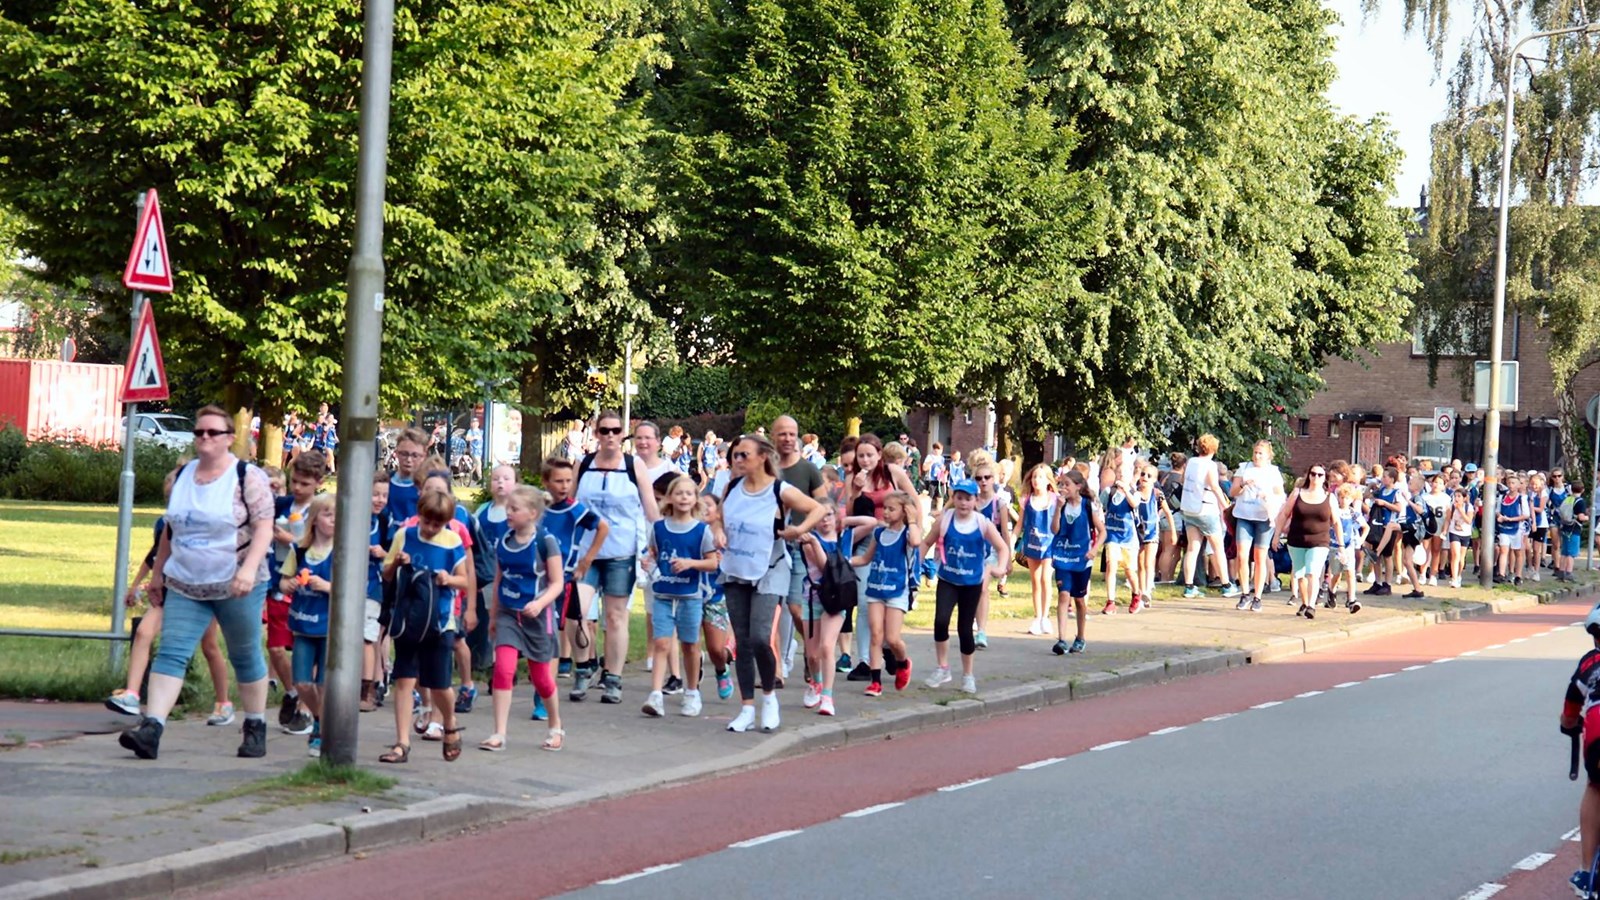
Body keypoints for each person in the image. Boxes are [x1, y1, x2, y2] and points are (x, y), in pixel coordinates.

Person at [116, 406, 275, 760]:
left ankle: (255, 725)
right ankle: (152, 728)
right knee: (172, 651)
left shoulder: (246, 476)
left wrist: (248, 570)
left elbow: (264, 528)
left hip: (236, 583)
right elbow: (171, 530)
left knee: (244, 653)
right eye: (199, 432)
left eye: (213, 432)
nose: (204, 438)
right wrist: (158, 574)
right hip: (187, 584)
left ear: (229, 438)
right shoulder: (183, 476)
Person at [105, 467, 234, 724]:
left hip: (199, 590)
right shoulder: (164, 523)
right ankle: (132, 694)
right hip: (168, 590)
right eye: (168, 498)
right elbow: (154, 555)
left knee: (209, 645)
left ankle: (224, 702)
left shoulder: (202, 523)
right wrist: (136, 584)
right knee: (144, 632)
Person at [719, 434, 825, 733]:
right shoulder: (732, 487)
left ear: (763, 457)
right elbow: (718, 516)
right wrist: (717, 531)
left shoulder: (780, 490)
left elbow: (817, 508)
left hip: (770, 569)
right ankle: (746, 708)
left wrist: (799, 530)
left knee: (760, 637)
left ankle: (769, 699)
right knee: (742, 641)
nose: (738, 460)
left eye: (744, 455)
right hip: (736, 568)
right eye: (735, 455)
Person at [574, 411, 662, 704]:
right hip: (586, 553)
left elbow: (651, 510)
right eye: (604, 430)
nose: (610, 435)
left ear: (622, 434)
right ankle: (583, 668)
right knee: (578, 612)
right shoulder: (584, 464)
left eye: (615, 430)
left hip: (620, 552)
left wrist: (661, 543)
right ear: (596, 434)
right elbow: (569, 505)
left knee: (615, 616)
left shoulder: (633, 466)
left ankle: (613, 677)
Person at [380, 488, 469, 763]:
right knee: (404, 680)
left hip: (439, 622)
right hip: (409, 619)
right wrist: (397, 562)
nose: (430, 528)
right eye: (426, 521)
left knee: (439, 684)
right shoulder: (404, 535)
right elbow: (386, 573)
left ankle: (449, 722)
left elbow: (465, 580)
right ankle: (402, 743)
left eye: (437, 524)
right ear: (418, 515)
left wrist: (448, 579)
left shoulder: (452, 541)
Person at [483, 485, 566, 752]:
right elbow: (498, 579)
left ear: (532, 513)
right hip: (508, 614)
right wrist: (493, 616)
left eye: (514, 509)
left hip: (538, 618)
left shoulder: (546, 542)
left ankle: (555, 725)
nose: (508, 512)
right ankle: (499, 733)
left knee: (541, 678)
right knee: (503, 669)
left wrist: (540, 603)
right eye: (508, 507)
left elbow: (557, 583)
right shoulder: (504, 541)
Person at [921, 478, 1011, 694]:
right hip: (948, 579)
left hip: (972, 583)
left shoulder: (982, 523)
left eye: (968, 499)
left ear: (975, 500)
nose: (963, 503)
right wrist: (916, 566)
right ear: (953, 499)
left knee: (965, 629)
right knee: (940, 621)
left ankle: (968, 675)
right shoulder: (945, 520)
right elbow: (926, 542)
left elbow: (1002, 547)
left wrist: (998, 568)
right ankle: (943, 668)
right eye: (959, 498)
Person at [642, 476, 720, 718]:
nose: (684, 497)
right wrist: (648, 562)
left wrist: (690, 563)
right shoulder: (659, 528)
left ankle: (692, 692)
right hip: (663, 594)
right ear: (669, 498)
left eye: (689, 493)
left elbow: (713, 562)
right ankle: (655, 695)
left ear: (696, 499)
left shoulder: (701, 531)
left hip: (690, 595)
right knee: (661, 643)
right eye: (679, 493)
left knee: (690, 644)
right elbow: (654, 553)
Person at [540, 457, 608, 699]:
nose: (564, 486)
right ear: (546, 482)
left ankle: (582, 669)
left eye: (568, 481)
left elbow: (602, 527)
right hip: (540, 575)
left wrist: (587, 559)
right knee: (546, 626)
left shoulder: (574, 509)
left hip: (566, 576)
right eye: (559, 481)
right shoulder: (538, 506)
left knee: (573, 623)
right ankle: (545, 674)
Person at [269, 452, 325, 735]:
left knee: (307, 646)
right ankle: (293, 692)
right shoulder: (282, 503)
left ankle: (306, 710)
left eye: (304, 483)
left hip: (308, 584)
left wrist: (289, 539)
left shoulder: (320, 510)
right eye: (294, 482)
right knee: (275, 647)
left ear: (318, 482)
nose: (297, 488)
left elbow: (318, 543)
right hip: (280, 578)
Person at [279, 494, 336, 756]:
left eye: (337, 515)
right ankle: (320, 717)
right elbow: (283, 581)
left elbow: (351, 589)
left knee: (324, 683)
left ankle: (322, 732)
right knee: (302, 683)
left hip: (328, 627)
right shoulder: (300, 551)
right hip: (302, 624)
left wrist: (326, 586)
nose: (333, 520)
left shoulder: (340, 552)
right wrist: (289, 584)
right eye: (327, 514)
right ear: (313, 519)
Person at [773, 415, 828, 689]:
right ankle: (777, 669)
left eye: (791, 433)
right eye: (782, 433)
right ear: (773, 437)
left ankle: (809, 650)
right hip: (772, 547)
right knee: (773, 609)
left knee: (795, 608)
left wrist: (804, 530)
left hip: (800, 548)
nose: (787, 438)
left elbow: (824, 505)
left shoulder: (808, 470)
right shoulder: (767, 468)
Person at [850, 491, 920, 698]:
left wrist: (912, 519)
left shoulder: (907, 534)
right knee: (876, 635)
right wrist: (845, 561)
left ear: (904, 511)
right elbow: (865, 559)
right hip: (875, 588)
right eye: (885, 508)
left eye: (892, 509)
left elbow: (916, 542)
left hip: (897, 590)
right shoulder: (879, 533)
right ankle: (875, 681)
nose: (886, 512)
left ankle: (903, 662)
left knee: (892, 638)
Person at [634, 422, 684, 694]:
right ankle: (661, 662)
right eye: (638, 437)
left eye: (648, 438)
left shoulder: (669, 470)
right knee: (654, 610)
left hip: (668, 548)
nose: (643, 442)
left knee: (671, 614)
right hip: (643, 544)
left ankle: (677, 672)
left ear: (657, 441)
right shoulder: (629, 466)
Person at [1561, 606, 1600, 898]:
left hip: (1598, 734)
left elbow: (1570, 712)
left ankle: (1587, 872)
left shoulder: (1590, 663)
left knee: (1595, 787)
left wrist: (1569, 724)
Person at [1272, 465, 1339, 620]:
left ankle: (1311, 606)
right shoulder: (1297, 493)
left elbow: (1336, 523)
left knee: (1312, 573)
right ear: (1308, 475)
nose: (1316, 477)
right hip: (1297, 540)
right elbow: (1284, 514)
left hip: (1320, 541)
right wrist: (1276, 535)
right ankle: (1305, 602)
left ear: (1324, 478)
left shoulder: (1329, 497)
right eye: (1313, 474)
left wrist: (1341, 545)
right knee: (1299, 574)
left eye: (1320, 475)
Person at [1179, 434, 1240, 601]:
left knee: (1192, 548)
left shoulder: (1191, 462)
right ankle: (1226, 585)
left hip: (1189, 509)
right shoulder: (1210, 465)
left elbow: (1184, 480)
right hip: (1206, 509)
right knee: (1217, 548)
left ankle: (1189, 586)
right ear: (1214, 449)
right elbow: (1214, 486)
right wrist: (1226, 506)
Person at [1050, 470, 1103, 654]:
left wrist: (1094, 549)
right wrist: (1058, 509)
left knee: (1079, 599)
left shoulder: (1088, 506)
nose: (1063, 488)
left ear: (1078, 487)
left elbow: (1103, 531)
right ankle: (1061, 639)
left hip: (1082, 558)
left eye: (1067, 484)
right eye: (1061, 484)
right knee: (1063, 595)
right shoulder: (1061, 505)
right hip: (1063, 556)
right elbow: (1054, 530)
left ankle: (1080, 637)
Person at [1230, 440, 1285, 607]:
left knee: (1260, 557)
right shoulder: (1244, 468)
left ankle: (1258, 597)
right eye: (1255, 452)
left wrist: (1269, 497)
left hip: (1264, 517)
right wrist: (1242, 484)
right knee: (1242, 555)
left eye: (1261, 453)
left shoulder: (1273, 472)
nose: (1257, 456)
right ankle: (1245, 593)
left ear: (1268, 455)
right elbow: (1233, 491)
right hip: (1245, 515)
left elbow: (1280, 495)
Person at [363, 471, 392, 712]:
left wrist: (383, 553)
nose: (380, 500)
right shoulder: (352, 517)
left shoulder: (384, 521)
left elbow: (394, 552)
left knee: (368, 638)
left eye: (384, 495)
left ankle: (369, 689)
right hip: (349, 587)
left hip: (373, 587)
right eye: (375, 494)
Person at [1018, 464, 1057, 636]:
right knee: (1035, 580)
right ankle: (1037, 616)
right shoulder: (1027, 500)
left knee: (1045, 579)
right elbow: (1020, 524)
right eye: (1034, 476)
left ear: (1048, 481)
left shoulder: (1055, 499)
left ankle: (1045, 617)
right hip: (1032, 544)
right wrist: (1011, 542)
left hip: (1050, 545)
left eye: (1040, 477)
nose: (1036, 480)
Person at [1558, 481, 1590, 582]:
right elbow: (1581, 517)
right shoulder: (1580, 502)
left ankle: (1561, 572)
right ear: (1582, 490)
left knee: (1564, 551)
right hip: (1574, 528)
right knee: (1571, 553)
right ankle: (1569, 572)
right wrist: (1587, 517)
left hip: (1565, 526)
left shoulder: (1568, 499)